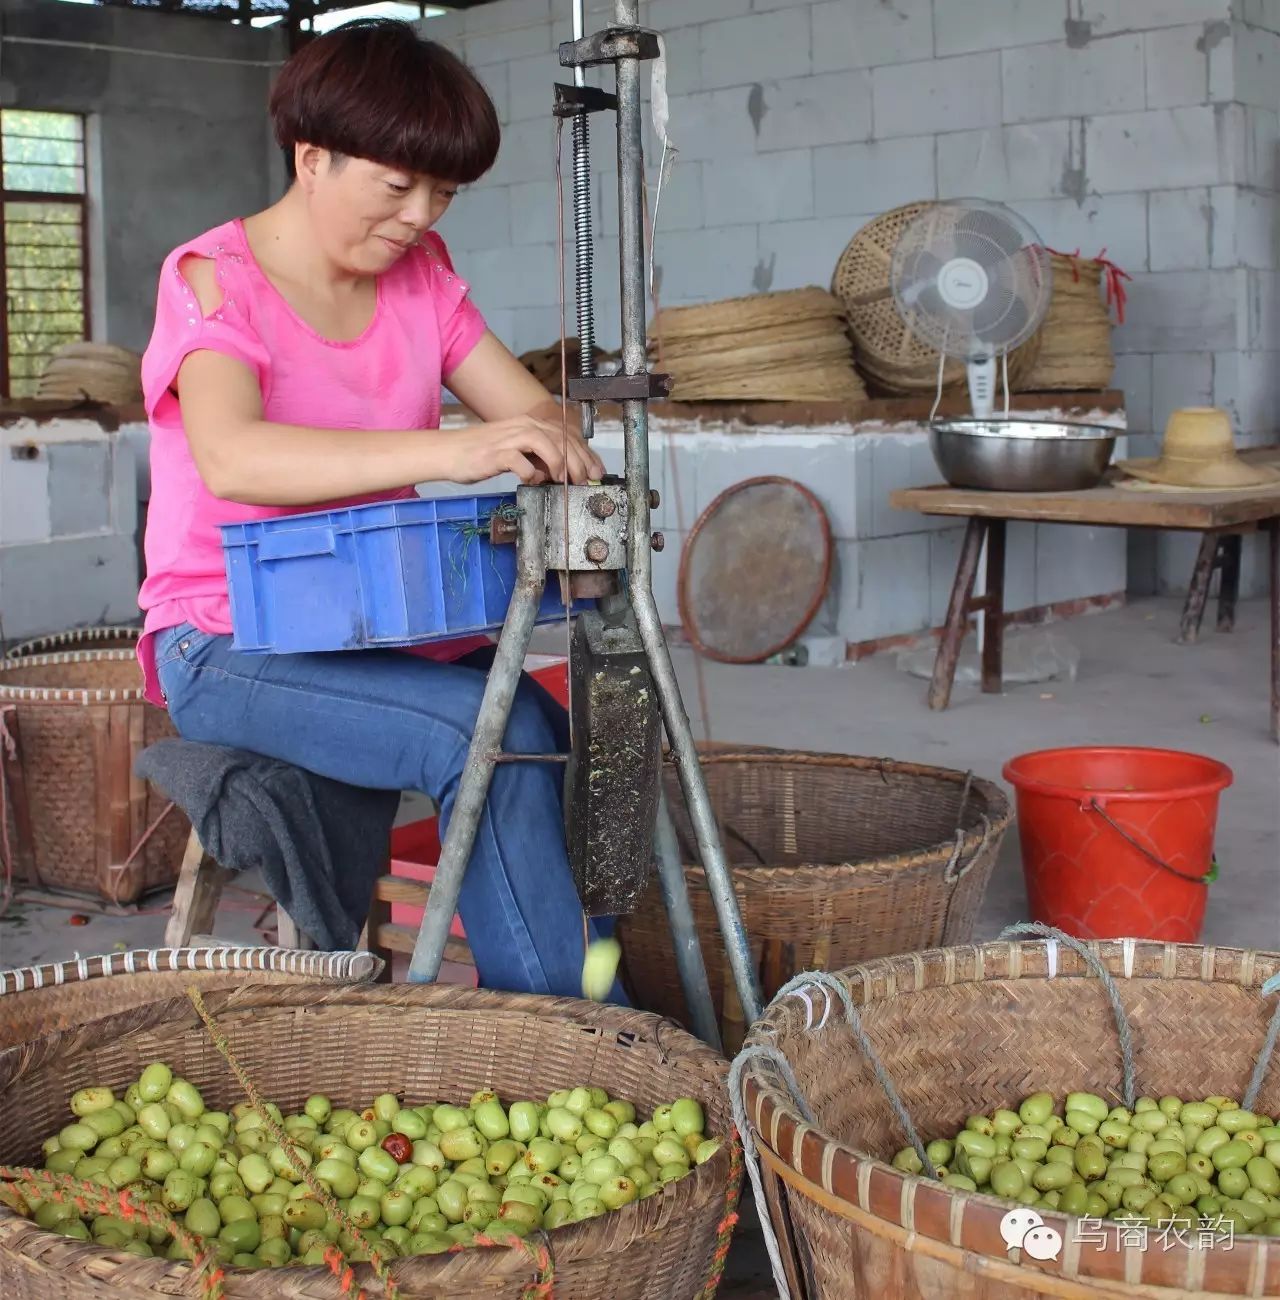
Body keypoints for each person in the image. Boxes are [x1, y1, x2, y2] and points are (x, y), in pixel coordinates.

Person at [136, 18, 624, 1001]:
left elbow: (522, 405)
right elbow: (233, 455)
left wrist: (552, 442)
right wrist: (456, 449)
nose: (417, 213)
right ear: (311, 158)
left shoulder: (424, 278)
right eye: (396, 185)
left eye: (441, 191)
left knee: (556, 716)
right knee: (480, 734)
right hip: (227, 641)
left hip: (371, 621)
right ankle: (580, 1037)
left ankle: (560, 1003)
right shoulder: (211, 282)